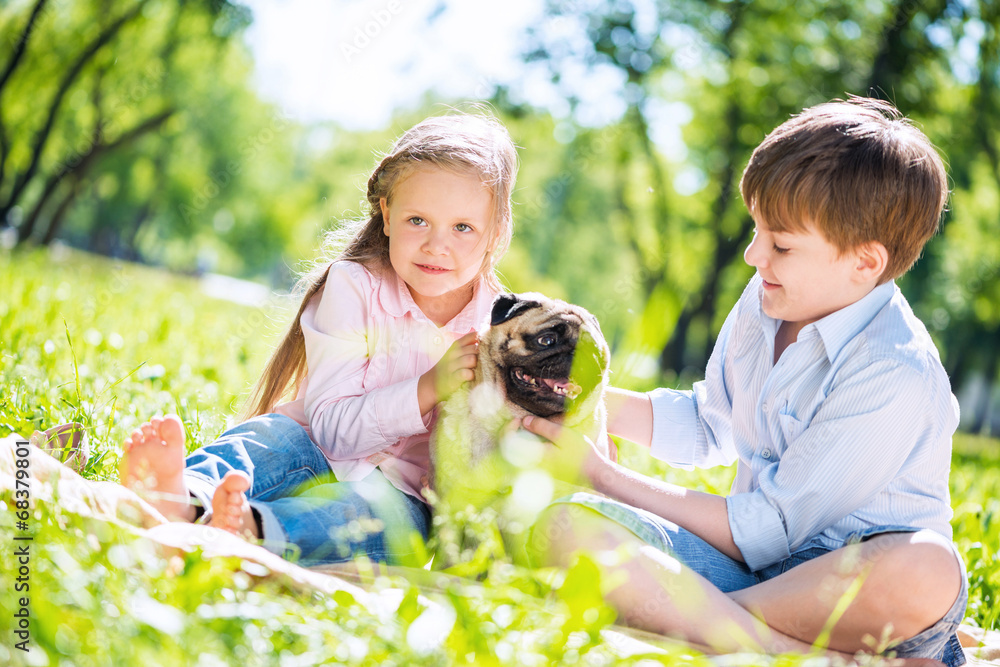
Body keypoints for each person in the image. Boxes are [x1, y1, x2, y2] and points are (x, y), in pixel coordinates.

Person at [523, 97, 967, 666]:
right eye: (757, 230)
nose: (754, 255)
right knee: (560, 525)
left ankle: (686, 613)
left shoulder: (894, 371)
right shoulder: (766, 300)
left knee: (926, 568)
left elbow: (771, 527)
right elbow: (712, 424)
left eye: (781, 244)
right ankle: (792, 652)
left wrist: (604, 475)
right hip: (750, 575)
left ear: (865, 263)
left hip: (855, 593)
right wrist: (569, 400)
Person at [120, 112, 519, 566]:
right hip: (313, 445)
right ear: (387, 214)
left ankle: (250, 528)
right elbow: (332, 430)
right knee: (264, 443)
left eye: (463, 227)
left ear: (496, 234)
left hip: (400, 494)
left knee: (374, 523)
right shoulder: (354, 286)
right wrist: (428, 388)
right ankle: (182, 494)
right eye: (417, 220)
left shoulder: (502, 325)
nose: (435, 245)